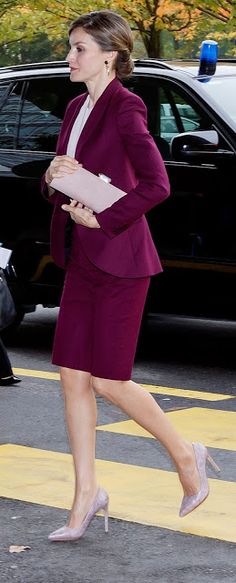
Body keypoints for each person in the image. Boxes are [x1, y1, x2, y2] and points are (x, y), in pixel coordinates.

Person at [42, 10, 220, 542]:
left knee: (108, 379)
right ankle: (85, 497)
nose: (70, 57)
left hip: (122, 260)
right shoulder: (75, 107)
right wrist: (54, 179)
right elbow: (67, 178)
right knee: (73, 377)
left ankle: (187, 454)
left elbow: (156, 184)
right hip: (80, 257)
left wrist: (102, 215)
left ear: (110, 55)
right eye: (71, 48)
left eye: (79, 49)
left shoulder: (127, 106)